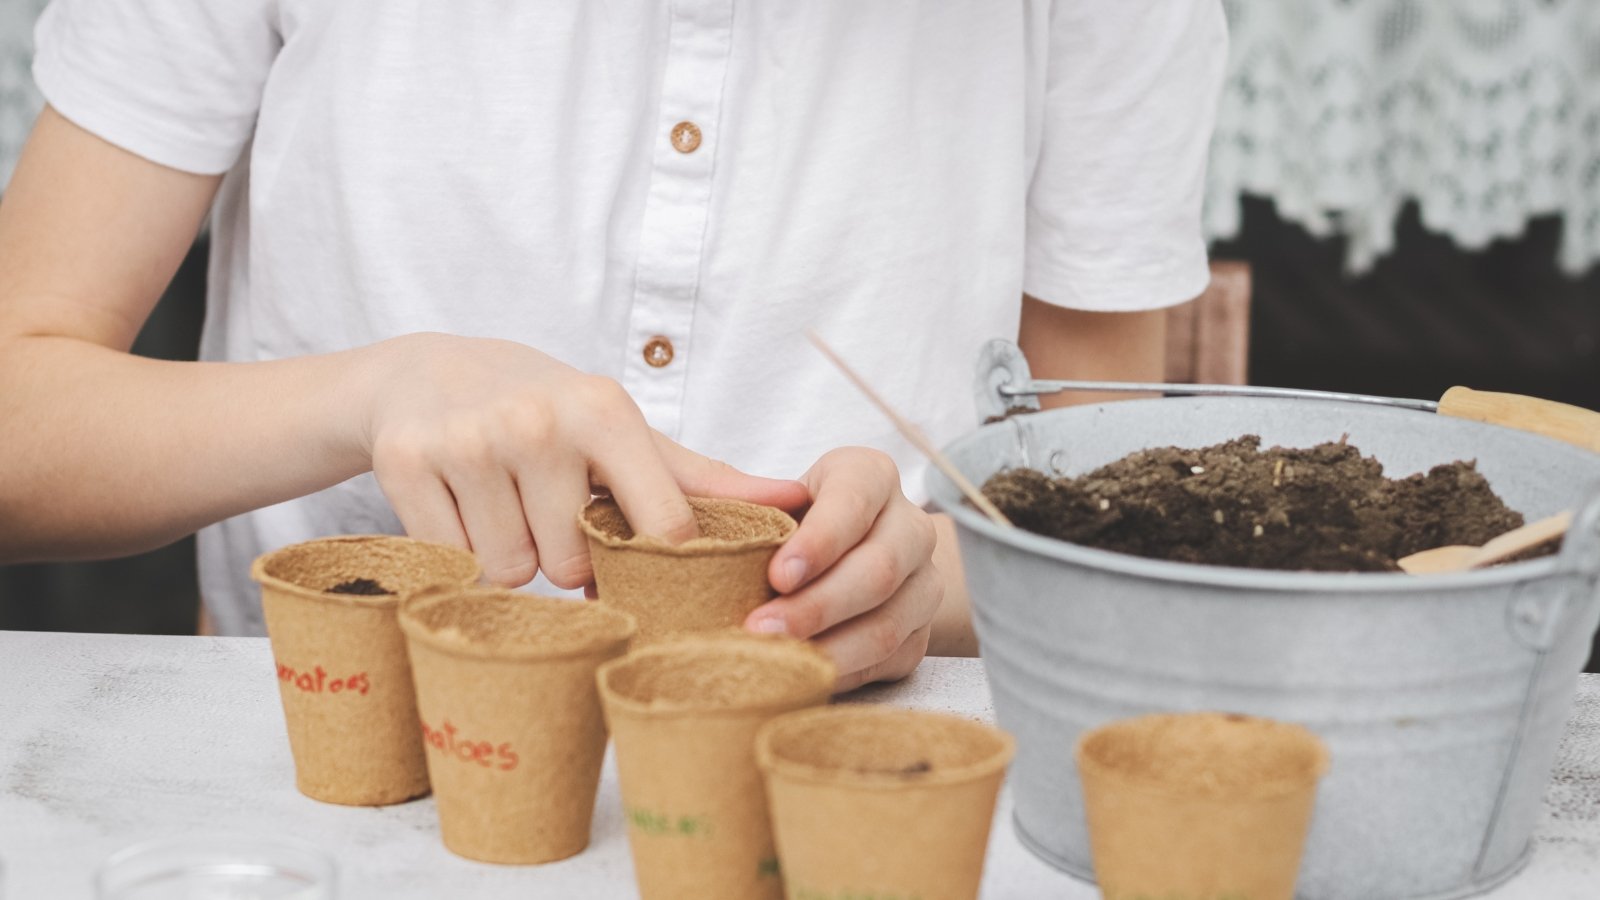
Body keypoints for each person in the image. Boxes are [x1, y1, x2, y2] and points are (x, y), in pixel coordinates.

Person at [0, 2, 1227, 690]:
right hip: (337, 744)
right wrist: (370, 396)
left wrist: (937, 586)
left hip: (856, 772)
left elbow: (1091, 527)